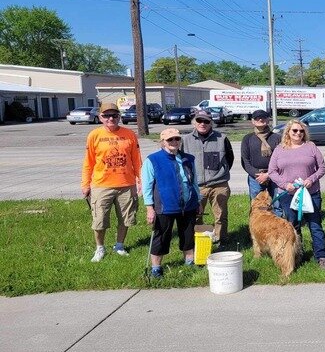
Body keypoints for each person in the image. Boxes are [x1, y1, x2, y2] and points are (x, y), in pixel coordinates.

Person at [81, 102, 142, 262]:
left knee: (126, 218)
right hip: (101, 185)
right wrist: (85, 184)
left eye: (114, 115)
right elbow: (89, 162)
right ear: (100, 117)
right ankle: (100, 248)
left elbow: (136, 160)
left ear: (119, 117)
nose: (111, 118)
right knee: (99, 220)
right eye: (107, 115)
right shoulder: (94, 135)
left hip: (126, 185)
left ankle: (119, 245)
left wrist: (141, 180)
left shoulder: (129, 134)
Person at [268, 120, 325, 270]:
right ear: (288, 132)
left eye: (301, 131)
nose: (298, 133)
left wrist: (311, 179)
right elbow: (272, 172)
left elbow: (322, 168)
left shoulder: (311, 147)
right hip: (287, 194)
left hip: (311, 193)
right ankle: (297, 255)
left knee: (315, 225)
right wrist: (285, 185)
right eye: (295, 131)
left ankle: (322, 256)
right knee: (293, 226)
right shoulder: (279, 149)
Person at [142, 128, 202, 279]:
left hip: (188, 205)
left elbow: (194, 182)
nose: (174, 142)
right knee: (161, 237)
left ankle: (189, 261)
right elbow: (147, 186)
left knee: (188, 235)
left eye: (177, 139)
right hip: (164, 206)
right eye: (170, 140)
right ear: (163, 142)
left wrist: (198, 200)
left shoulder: (189, 158)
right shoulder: (153, 159)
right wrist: (150, 208)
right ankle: (156, 268)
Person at [181, 110, 234, 246]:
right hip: (196, 186)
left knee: (220, 215)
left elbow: (229, 158)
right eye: (199, 121)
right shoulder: (185, 140)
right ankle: (199, 242)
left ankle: (220, 240)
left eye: (206, 121)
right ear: (194, 123)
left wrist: (220, 174)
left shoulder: (222, 138)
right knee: (195, 215)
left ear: (211, 123)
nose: (202, 124)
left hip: (219, 184)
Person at [241, 109, 282, 216]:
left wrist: (268, 175)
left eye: (263, 117)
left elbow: (282, 160)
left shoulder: (277, 138)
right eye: (257, 118)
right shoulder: (247, 139)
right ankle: (258, 229)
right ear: (253, 121)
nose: (260, 119)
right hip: (256, 177)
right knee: (257, 207)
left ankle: (276, 229)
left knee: (278, 205)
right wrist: (257, 175)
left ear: (268, 120)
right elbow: (245, 161)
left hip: (275, 176)